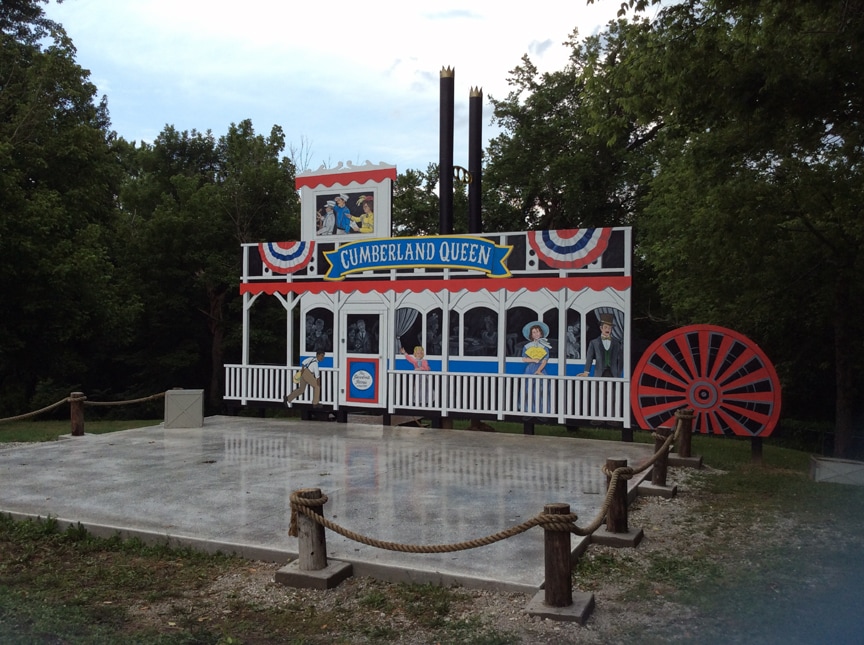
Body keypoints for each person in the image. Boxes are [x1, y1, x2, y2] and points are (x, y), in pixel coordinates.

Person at [522, 321, 551, 413]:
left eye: (537, 331)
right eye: (534, 332)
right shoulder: (527, 346)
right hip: (530, 369)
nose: (536, 334)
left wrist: (539, 370)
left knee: (541, 390)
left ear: (541, 333)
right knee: (528, 389)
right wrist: (533, 360)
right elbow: (524, 359)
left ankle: (542, 410)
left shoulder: (544, 346)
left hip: (540, 369)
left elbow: (545, 360)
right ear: (531, 334)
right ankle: (528, 409)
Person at [580, 313, 622, 377]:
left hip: (613, 374)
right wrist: (586, 372)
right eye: (606, 327)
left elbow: (620, 359)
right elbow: (589, 358)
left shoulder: (616, 343)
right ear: (601, 328)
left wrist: (619, 373)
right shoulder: (594, 342)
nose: (607, 330)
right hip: (599, 373)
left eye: (609, 328)